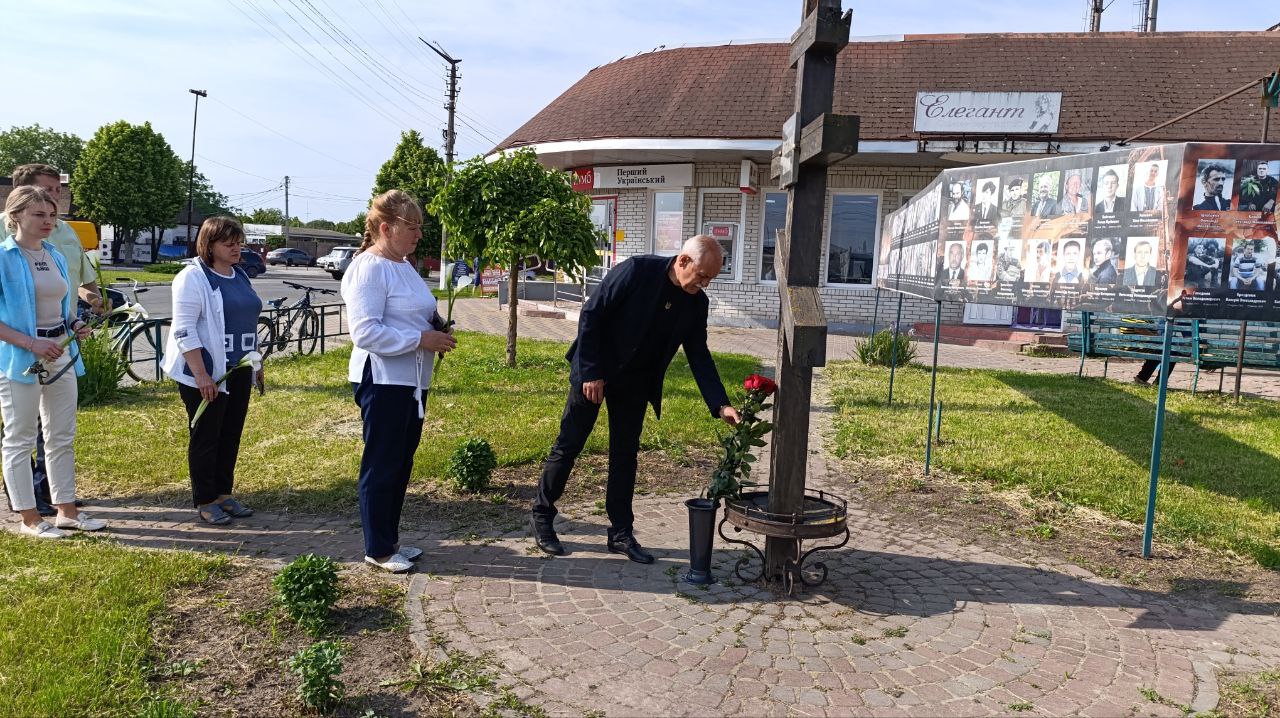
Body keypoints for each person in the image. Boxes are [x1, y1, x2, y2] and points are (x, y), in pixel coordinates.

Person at [531, 236, 741, 563]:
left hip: (635, 382)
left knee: (625, 455)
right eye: (702, 275)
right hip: (595, 370)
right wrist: (589, 372)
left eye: (710, 279)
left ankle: (620, 533)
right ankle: (543, 517)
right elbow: (592, 315)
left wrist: (720, 403)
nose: (704, 284)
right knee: (570, 444)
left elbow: (699, 354)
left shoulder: (696, 302)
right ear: (683, 261)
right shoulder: (637, 271)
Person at [343, 190, 456, 573]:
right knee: (382, 463)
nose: (418, 235)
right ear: (386, 228)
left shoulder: (404, 265)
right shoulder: (369, 268)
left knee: (400, 462)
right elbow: (366, 333)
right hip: (383, 379)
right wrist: (421, 339)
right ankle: (376, 548)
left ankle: (389, 540)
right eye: (412, 227)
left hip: (411, 381)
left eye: (420, 228)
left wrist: (436, 327)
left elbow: (414, 312)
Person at [0, 186, 101, 538]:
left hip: (61, 351)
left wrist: (74, 323)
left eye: (51, 215)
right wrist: (31, 343)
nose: (47, 221)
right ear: (16, 216)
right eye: (38, 215)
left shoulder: (55, 254)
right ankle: (29, 518)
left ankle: (66, 511)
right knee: (20, 437)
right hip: (20, 358)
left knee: (61, 434)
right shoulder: (3, 256)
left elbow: (63, 303)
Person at [161, 217, 264, 526]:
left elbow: (249, 323)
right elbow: (183, 330)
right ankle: (205, 500)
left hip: (239, 368)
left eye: (238, 241)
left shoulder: (240, 274)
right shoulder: (192, 278)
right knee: (207, 436)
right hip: (206, 372)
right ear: (209, 245)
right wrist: (202, 375)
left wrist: (257, 364)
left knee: (230, 434)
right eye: (228, 243)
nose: (236, 248)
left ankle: (223, 493)